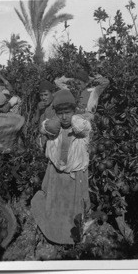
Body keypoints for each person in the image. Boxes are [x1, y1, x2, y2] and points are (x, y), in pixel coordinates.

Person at [31, 89, 92, 245]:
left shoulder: (81, 125)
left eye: (68, 112)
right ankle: (56, 233)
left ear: (74, 110)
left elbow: (81, 126)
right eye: (60, 113)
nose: (64, 117)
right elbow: (44, 127)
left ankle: (72, 237)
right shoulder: (54, 127)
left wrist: (76, 115)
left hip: (75, 174)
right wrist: (54, 120)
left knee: (73, 208)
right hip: (56, 173)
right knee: (57, 206)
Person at [33, 80, 57, 150]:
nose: (43, 98)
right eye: (41, 95)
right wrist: (38, 110)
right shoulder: (40, 106)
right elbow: (35, 123)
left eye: (46, 95)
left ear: (52, 93)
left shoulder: (55, 106)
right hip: (42, 145)